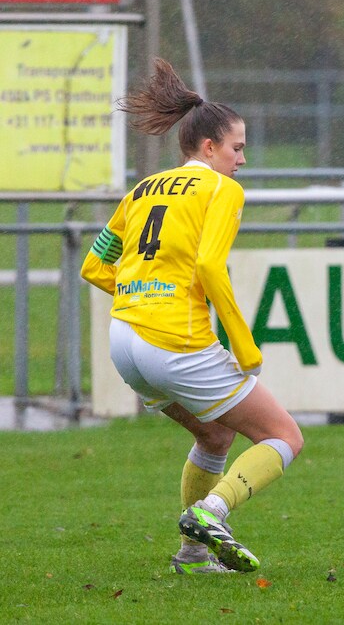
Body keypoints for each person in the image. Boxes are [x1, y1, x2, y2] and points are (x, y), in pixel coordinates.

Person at [81, 58, 304, 575]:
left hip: (125, 342)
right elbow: (208, 265)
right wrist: (245, 347)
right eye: (237, 148)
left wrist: (143, 291)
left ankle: (193, 555)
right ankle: (212, 512)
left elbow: (95, 265)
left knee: (215, 436)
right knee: (284, 437)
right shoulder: (223, 190)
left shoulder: (140, 191)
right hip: (172, 341)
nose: (241, 160)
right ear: (209, 148)